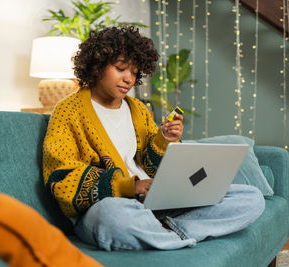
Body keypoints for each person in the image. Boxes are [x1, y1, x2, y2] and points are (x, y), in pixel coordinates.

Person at [43, 26, 265, 251]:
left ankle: (170, 233)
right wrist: (130, 186)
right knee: (111, 217)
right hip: (111, 208)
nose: (129, 79)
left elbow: (156, 166)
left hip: (157, 205)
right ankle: (176, 232)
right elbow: (62, 176)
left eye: (135, 71)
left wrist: (164, 139)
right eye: (120, 68)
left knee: (251, 198)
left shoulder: (138, 109)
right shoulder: (68, 111)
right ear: (97, 65)